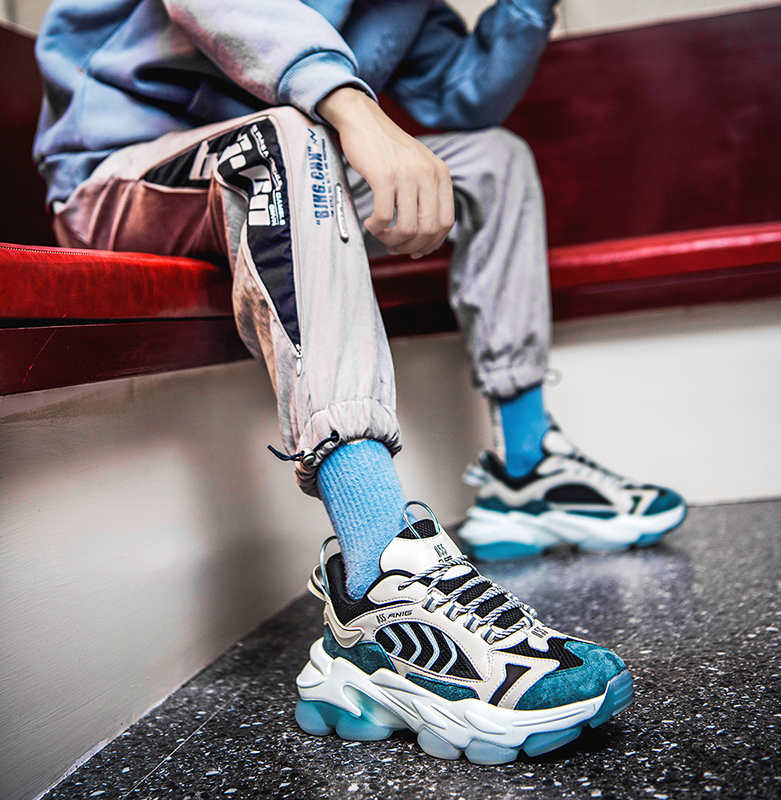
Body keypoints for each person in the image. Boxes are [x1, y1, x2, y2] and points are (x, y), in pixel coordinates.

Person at [34, 0, 685, 764]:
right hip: (124, 175)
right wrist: (355, 112)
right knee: (289, 136)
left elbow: (460, 100)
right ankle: (377, 581)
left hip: (290, 169)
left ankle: (526, 462)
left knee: (492, 156)